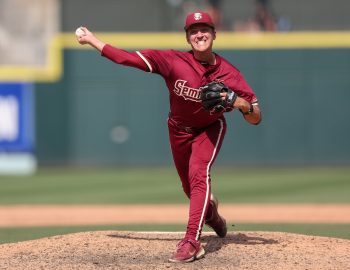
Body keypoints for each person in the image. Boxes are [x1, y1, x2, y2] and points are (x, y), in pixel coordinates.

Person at [76, 11, 261, 263]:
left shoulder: (230, 73)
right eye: (194, 31)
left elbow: (256, 116)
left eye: (204, 29)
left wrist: (239, 103)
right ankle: (213, 217)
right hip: (178, 129)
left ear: (214, 34)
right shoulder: (172, 61)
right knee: (189, 188)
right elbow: (127, 59)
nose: (200, 34)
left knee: (198, 174)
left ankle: (191, 242)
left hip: (210, 127)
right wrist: (93, 40)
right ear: (187, 38)